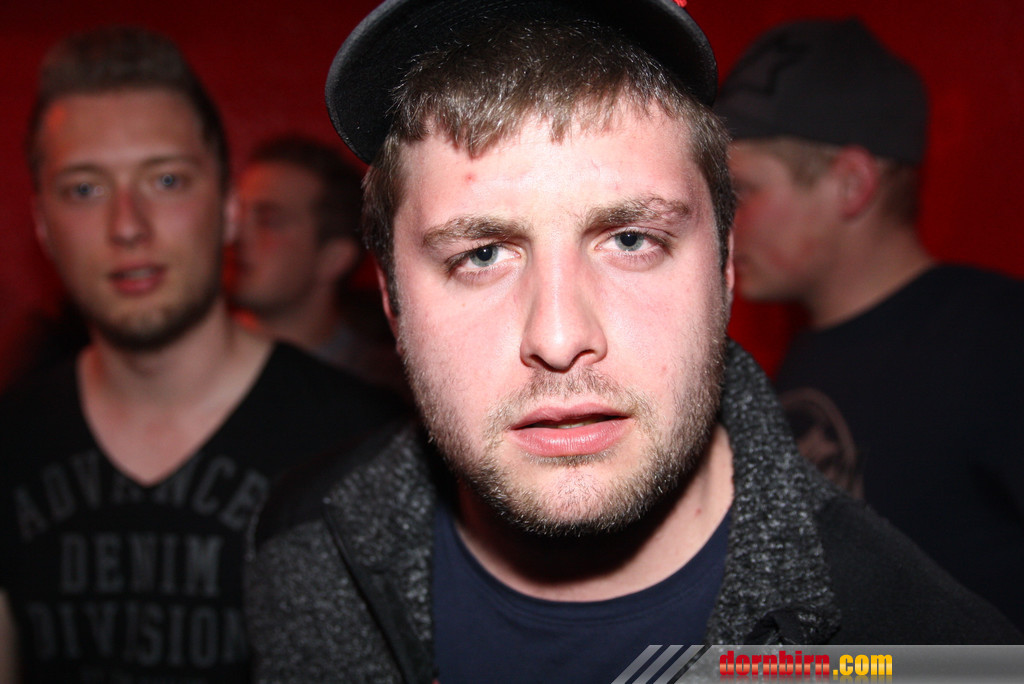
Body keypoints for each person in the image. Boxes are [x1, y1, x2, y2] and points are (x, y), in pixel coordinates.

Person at [245, 2, 1021, 681]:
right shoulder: (301, 546)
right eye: (480, 255)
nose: (559, 338)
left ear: (724, 271)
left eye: (630, 240)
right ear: (390, 300)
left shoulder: (923, 649)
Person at [0, 26, 404, 683]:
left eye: (166, 180)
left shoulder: (365, 447)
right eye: (84, 189)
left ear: (228, 208)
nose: (127, 226)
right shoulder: (13, 442)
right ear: (42, 225)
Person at [715, 17, 1024, 629]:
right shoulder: (795, 360)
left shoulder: (1000, 342)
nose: (723, 224)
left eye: (743, 192)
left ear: (852, 184)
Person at [230, 135, 407, 394]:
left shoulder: (381, 388)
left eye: (269, 221)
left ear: (333, 259)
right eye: (236, 214)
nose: (235, 234)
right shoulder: (187, 360)